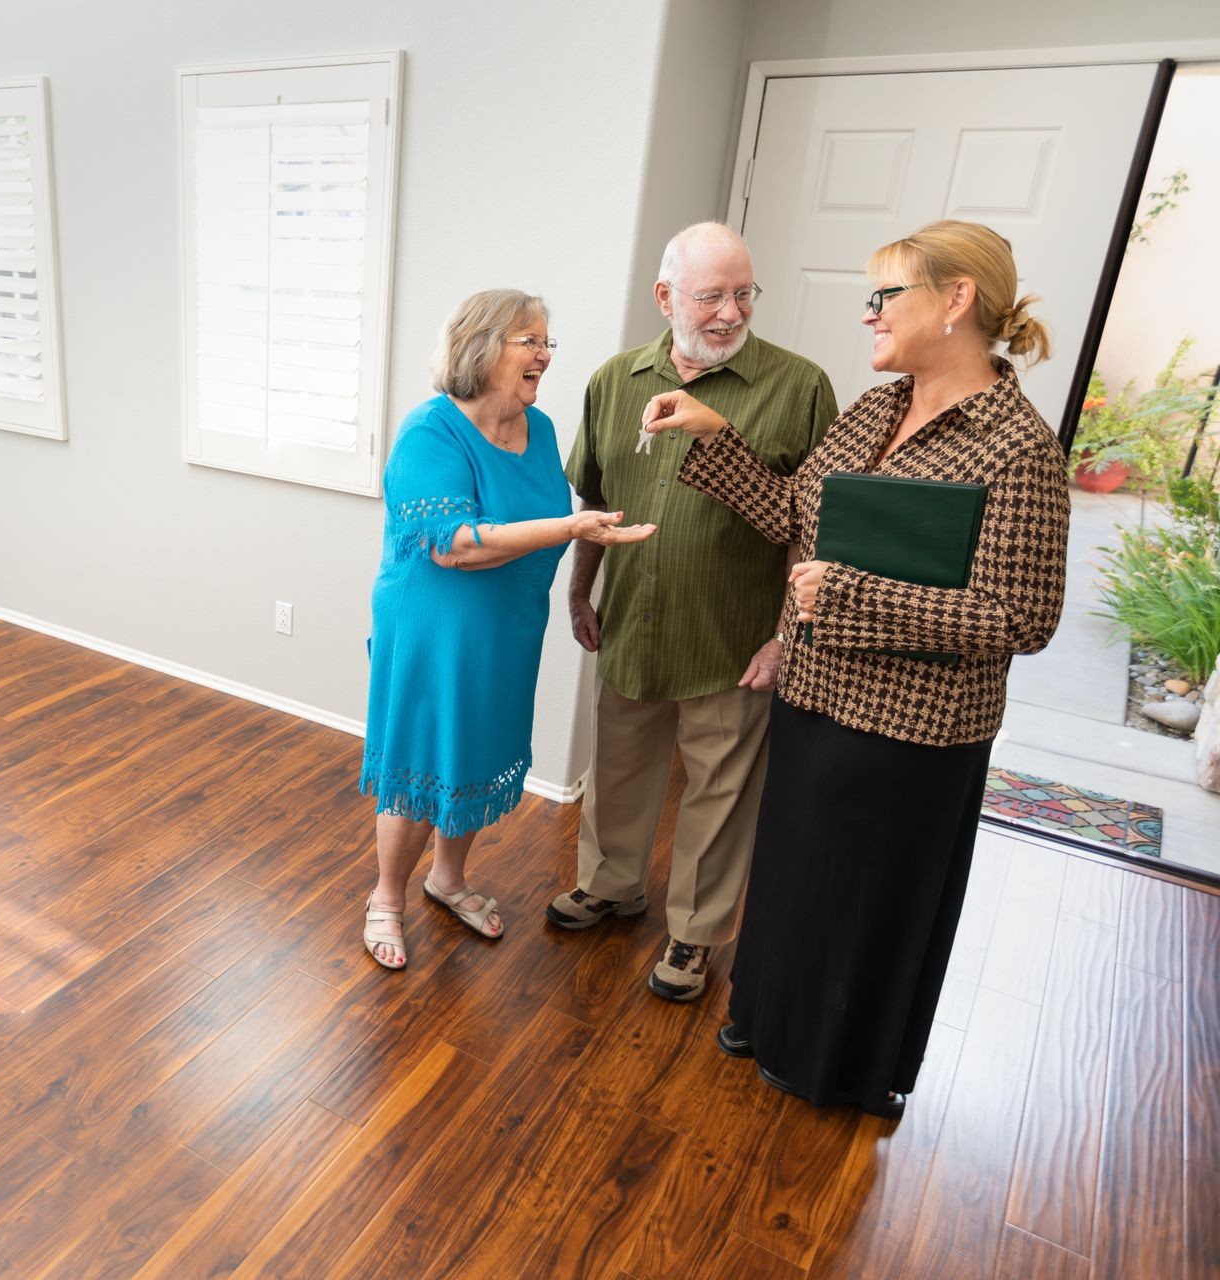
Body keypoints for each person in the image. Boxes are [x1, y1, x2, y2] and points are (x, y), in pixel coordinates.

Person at [642, 219, 1069, 1117]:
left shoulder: (1016, 446)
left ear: (955, 302)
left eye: (886, 297)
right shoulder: (874, 410)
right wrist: (714, 435)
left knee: (865, 908)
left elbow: (1021, 618)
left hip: (912, 736)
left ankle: (834, 1065)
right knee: (794, 880)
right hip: (816, 702)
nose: (868, 314)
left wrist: (853, 597)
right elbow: (796, 521)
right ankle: (765, 1023)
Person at [546, 224, 837, 1003]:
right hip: (633, 622)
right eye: (711, 296)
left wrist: (784, 636)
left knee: (720, 788)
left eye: (744, 294)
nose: (730, 313)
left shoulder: (800, 387)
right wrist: (580, 589)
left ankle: (695, 933)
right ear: (665, 297)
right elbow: (595, 500)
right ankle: (611, 886)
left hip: (732, 635)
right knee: (619, 767)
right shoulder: (615, 380)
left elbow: (813, 528)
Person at [360, 289, 655, 970]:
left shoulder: (541, 429)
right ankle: (386, 898)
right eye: (531, 340)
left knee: (476, 751)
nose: (545, 355)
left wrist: (574, 547)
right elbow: (454, 546)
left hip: (508, 628)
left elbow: (536, 518)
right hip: (435, 633)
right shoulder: (429, 432)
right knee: (425, 758)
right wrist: (573, 528)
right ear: (482, 346)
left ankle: (448, 879)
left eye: (548, 341)